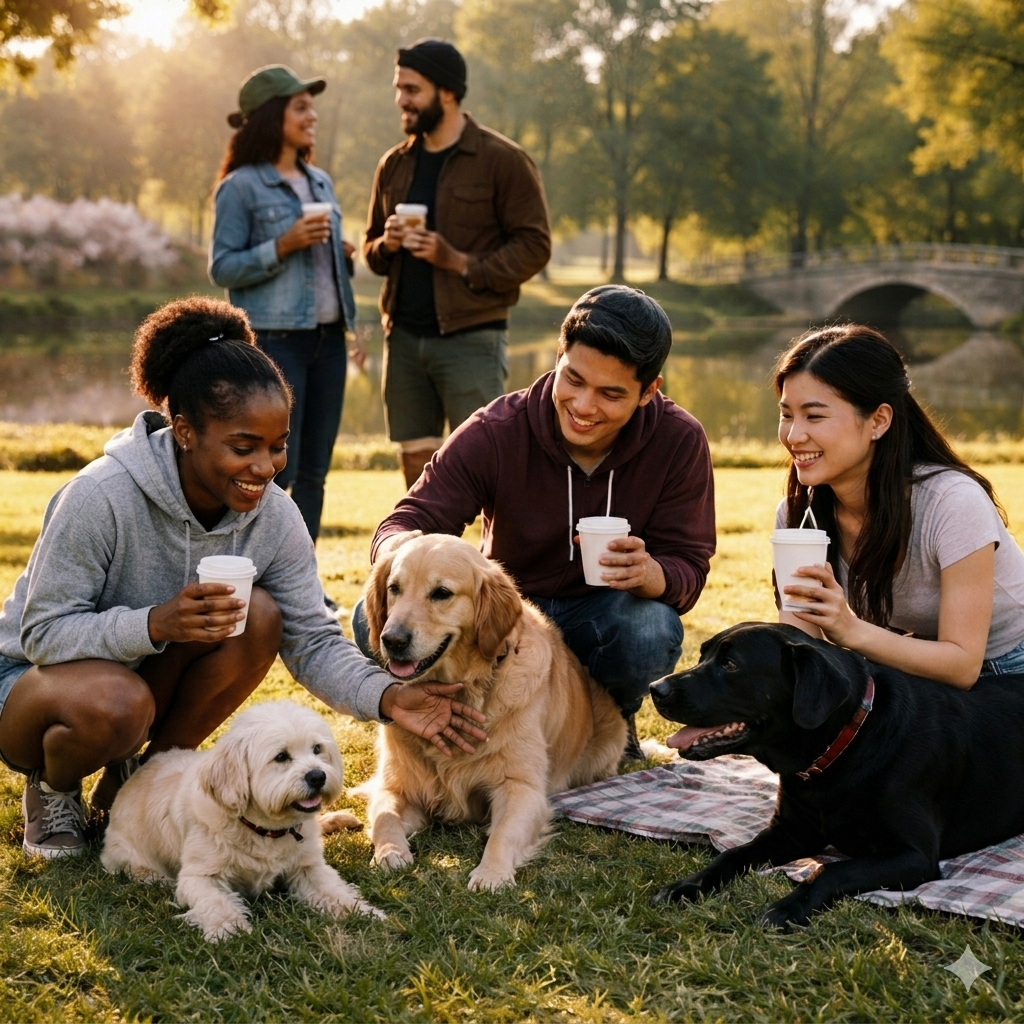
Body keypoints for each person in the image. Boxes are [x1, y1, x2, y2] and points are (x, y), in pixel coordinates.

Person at [0, 297, 485, 860]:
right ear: (183, 431)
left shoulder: (274, 518)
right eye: (242, 447)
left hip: (142, 686)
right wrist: (157, 623)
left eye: (277, 446)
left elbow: (312, 639)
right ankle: (55, 788)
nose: (265, 467)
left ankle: (140, 777)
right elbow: (42, 633)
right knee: (118, 701)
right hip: (32, 689)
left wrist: (390, 697)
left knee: (262, 618)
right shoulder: (100, 497)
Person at [354, 286, 717, 760]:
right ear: (558, 355)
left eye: (611, 394)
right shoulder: (497, 430)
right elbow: (407, 520)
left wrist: (652, 574)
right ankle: (441, 715)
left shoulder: (680, 441)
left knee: (651, 628)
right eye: (574, 380)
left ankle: (612, 722)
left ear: (650, 390)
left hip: (601, 619)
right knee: (371, 615)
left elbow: (689, 567)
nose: (584, 406)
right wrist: (403, 558)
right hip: (508, 619)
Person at [774, 324, 1024, 688]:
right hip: (913, 668)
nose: (794, 435)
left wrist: (849, 629)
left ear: (878, 420)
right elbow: (801, 645)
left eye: (814, 416)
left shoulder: (952, 502)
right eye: (786, 415)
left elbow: (962, 665)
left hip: (1009, 667)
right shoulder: (799, 517)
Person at [363, 37, 552, 489]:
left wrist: (461, 262)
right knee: (415, 461)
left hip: (471, 337)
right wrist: (387, 245)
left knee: (489, 462)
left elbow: (535, 245)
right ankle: (423, 557)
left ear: (446, 92)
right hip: (404, 338)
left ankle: (491, 560)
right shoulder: (393, 165)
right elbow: (371, 251)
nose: (401, 100)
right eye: (398, 88)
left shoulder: (501, 160)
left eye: (411, 89)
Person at [210, 64, 365, 543]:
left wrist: (341, 255)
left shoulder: (319, 182)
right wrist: (283, 244)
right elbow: (223, 267)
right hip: (276, 340)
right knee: (275, 467)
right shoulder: (240, 187)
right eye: (301, 107)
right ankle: (257, 575)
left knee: (316, 468)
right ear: (272, 116)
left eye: (311, 106)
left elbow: (320, 269)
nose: (311, 115)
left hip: (328, 339)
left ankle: (304, 584)